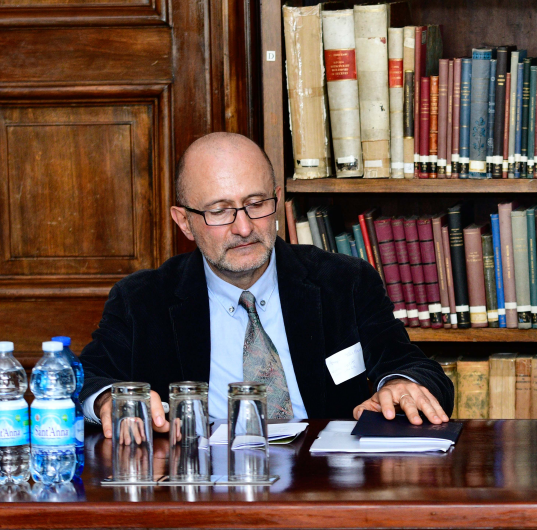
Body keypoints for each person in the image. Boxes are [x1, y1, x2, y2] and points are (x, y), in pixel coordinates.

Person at [80, 133, 453, 438]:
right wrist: (108, 400)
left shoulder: (344, 281)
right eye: (220, 211)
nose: (243, 228)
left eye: (256, 204)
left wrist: (400, 384)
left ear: (276, 199)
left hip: (322, 484)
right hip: (200, 486)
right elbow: (89, 379)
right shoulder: (142, 299)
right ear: (184, 222)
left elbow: (408, 364)